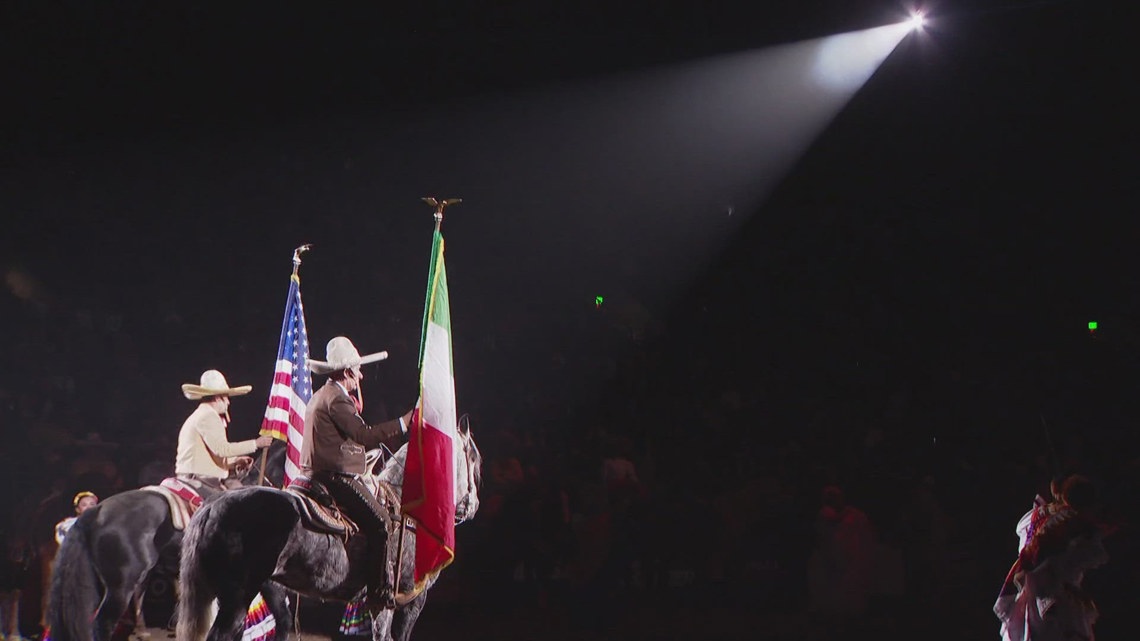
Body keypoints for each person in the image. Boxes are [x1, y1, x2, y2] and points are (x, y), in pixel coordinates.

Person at [300, 337, 412, 610]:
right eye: (358, 370)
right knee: (382, 522)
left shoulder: (323, 394)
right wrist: (404, 422)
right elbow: (363, 435)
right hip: (333, 475)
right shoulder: (337, 398)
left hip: (317, 471)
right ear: (348, 372)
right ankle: (378, 590)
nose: (361, 375)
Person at [995, 475, 1110, 641]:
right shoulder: (1076, 525)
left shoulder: (1034, 518)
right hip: (1056, 597)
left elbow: (1020, 529)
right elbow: (1094, 556)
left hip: (1028, 598)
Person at [175, 370, 273, 494]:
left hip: (191, 476)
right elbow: (222, 450)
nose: (228, 402)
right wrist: (256, 444)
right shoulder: (208, 416)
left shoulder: (201, 414)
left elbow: (212, 454)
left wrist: (234, 461)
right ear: (217, 398)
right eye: (226, 397)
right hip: (201, 480)